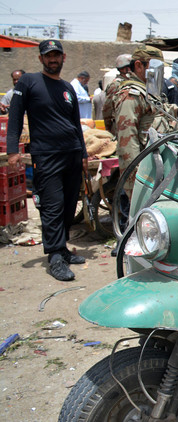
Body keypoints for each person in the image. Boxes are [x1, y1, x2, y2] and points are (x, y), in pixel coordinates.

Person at [5, 39, 88, 281]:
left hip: (72, 154)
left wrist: (83, 154)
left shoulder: (67, 88)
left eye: (56, 55)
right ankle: (54, 257)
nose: (53, 59)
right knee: (52, 206)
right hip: (47, 156)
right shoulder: (28, 82)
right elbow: (15, 117)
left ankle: (62, 247)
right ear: (41, 59)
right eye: (47, 56)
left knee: (70, 205)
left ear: (64, 57)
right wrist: (13, 150)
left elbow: (75, 125)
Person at [112, 45, 165, 198]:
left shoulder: (151, 93)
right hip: (142, 174)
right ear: (138, 66)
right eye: (156, 66)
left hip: (154, 168)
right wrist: (137, 179)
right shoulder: (131, 95)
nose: (159, 72)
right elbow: (127, 142)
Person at [102, 54, 131, 133]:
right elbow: (107, 108)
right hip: (119, 127)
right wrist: (108, 128)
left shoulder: (132, 83)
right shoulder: (116, 85)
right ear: (124, 69)